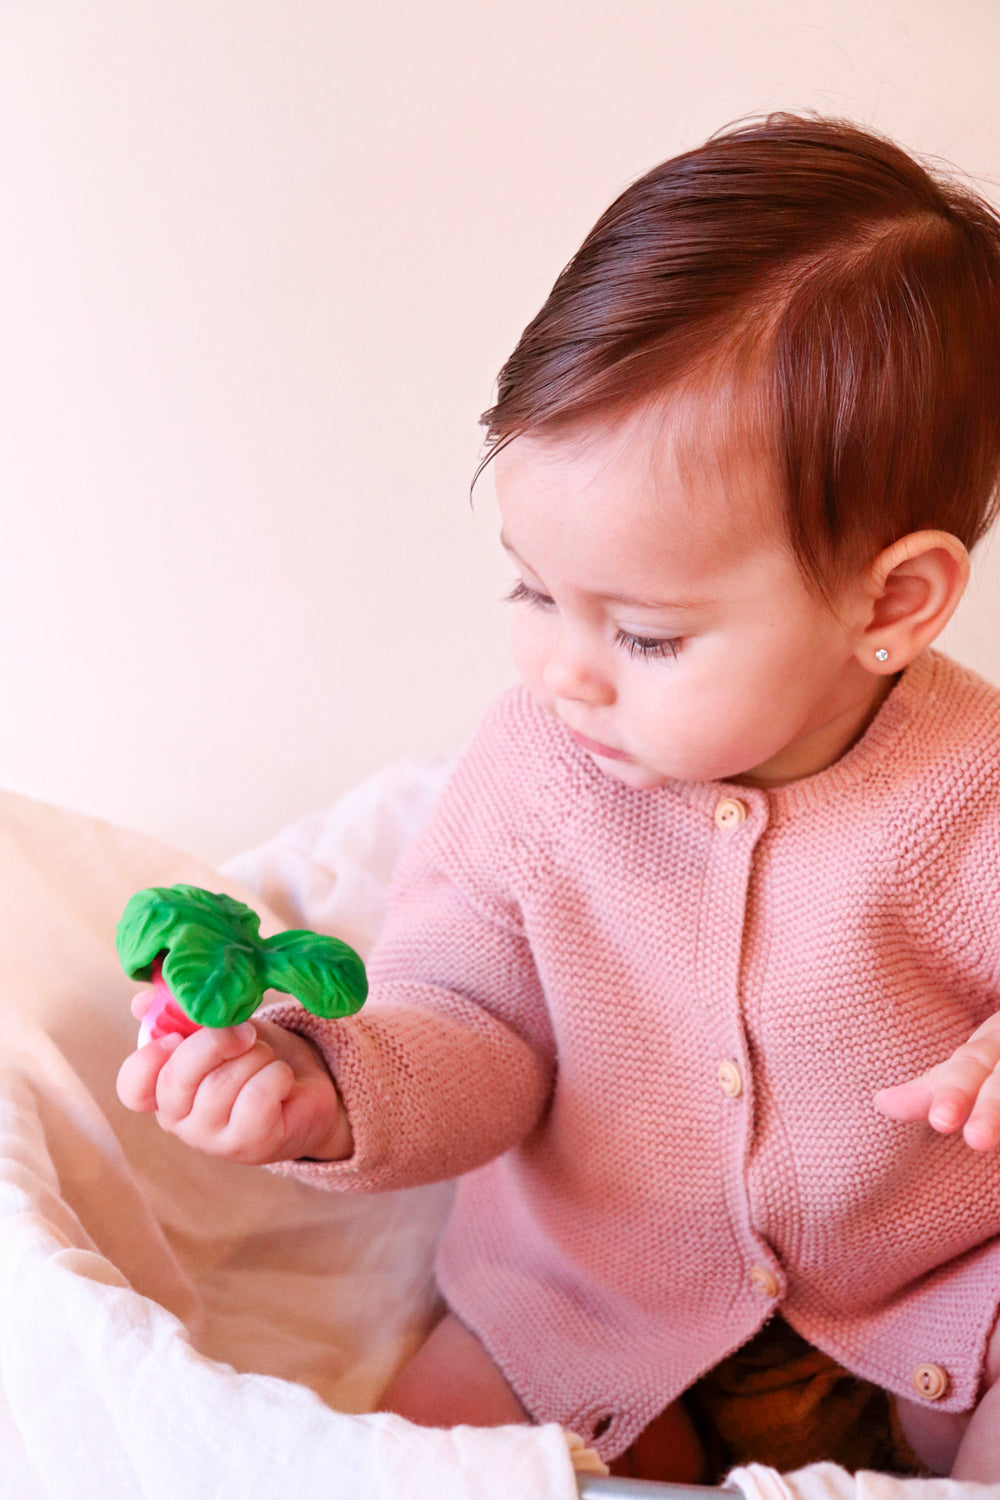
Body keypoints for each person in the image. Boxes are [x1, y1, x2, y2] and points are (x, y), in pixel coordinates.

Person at [117, 115, 1000, 1483]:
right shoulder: (536, 772)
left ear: (892, 603)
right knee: (429, 1454)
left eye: (646, 634)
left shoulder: (974, 791)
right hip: (592, 1301)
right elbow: (468, 1021)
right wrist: (326, 1089)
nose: (564, 671)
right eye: (532, 590)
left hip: (939, 1300)